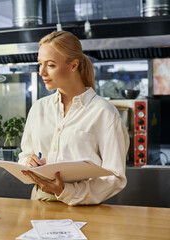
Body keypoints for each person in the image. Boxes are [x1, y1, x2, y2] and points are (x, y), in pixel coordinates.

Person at [18, 31, 129, 206]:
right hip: (39, 203)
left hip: (84, 208)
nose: (41, 72)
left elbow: (115, 177)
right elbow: (24, 155)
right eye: (40, 64)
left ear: (73, 65)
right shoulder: (38, 108)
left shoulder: (104, 113)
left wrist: (66, 191)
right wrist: (28, 162)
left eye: (51, 65)